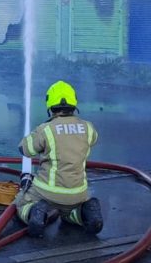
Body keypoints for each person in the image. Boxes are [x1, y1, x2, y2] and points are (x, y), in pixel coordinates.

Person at [14, 80, 103, 237]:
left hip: (47, 192)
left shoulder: (46, 129)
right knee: (68, 214)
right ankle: (85, 214)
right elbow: (94, 139)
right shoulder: (88, 127)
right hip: (78, 193)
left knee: (21, 201)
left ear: (50, 105)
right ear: (74, 103)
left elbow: (25, 149)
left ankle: (34, 212)